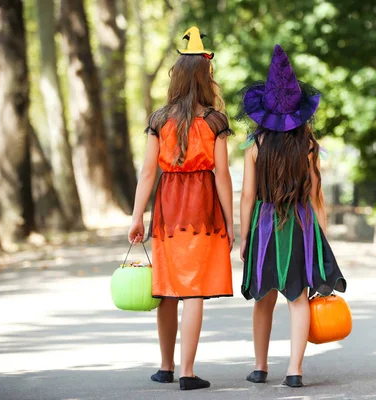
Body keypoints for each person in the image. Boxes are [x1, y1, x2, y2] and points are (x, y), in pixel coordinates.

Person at [128, 26, 234, 391]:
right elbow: (222, 177)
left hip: (167, 212)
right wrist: (231, 223)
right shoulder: (215, 121)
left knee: (167, 289)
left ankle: (165, 366)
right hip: (203, 210)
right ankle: (188, 373)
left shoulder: (159, 120)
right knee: (194, 291)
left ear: (176, 78)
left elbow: (146, 174)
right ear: (207, 78)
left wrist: (136, 216)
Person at [238, 44, 346, 388]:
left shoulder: (255, 146)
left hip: (264, 225)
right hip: (300, 226)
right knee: (298, 299)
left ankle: (259, 366)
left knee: (262, 300)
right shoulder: (309, 146)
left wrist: (244, 238)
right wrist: (322, 239)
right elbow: (317, 196)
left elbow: (247, 195)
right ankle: (295, 370)